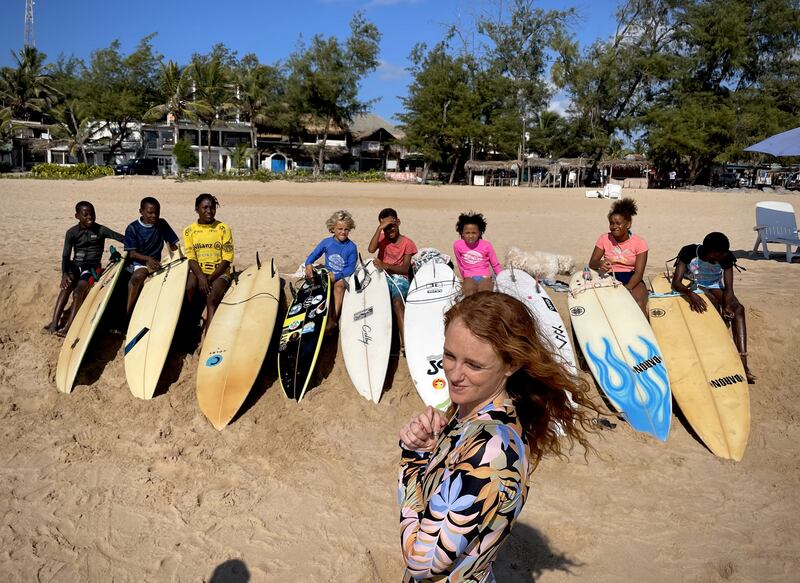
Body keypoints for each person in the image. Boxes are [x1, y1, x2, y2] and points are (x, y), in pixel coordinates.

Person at [398, 292, 597, 583]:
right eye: (449, 356)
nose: (454, 374)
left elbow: (422, 562)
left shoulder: (491, 449)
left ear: (510, 365)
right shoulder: (473, 415)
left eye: (474, 365)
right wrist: (429, 450)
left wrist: (412, 460)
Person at [671, 232, 756, 383]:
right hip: (693, 285)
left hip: (715, 285)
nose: (717, 260)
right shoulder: (689, 252)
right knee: (712, 304)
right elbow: (676, 282)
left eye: (720, 257)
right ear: (706, 250)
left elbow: (729, 288)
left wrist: (728, 305)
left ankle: (743, 362)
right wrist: (691, 295)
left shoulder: (726, 257)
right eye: (715, 257)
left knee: (738, 309)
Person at [44, 201, 124, 336]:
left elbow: (121, 238)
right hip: (76, 265)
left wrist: (120, 253)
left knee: (78, 291)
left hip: (92, 267)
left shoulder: (101, 230)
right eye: (85, 215)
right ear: (77, 216)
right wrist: (64, 274)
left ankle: (68, 328)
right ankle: (54, 324)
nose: (90, 217)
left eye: (92, 214)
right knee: (66, 287)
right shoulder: (72, 233)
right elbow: (65, 256)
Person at [183, 193, 234, 335]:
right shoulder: (189, 231)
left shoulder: (223, 228)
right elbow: (191, 258)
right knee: (188, 289)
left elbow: (227, 259)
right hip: (198, 271)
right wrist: (201, 278)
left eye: (212, 208)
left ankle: (208, 336)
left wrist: (209, 279)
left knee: (211, 298)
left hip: (219, 273)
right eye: (205, 208)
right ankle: (188, 328)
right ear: (196, 209)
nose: (209, 211)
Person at [367, 208, 417, 351]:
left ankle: (405, 342)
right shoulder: (382, 238)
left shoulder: (407, 243)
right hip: (382, 276)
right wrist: (379, 229)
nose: (389, 230)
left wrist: (386, 265)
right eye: (386, 228)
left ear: (398, 222)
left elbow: (405, 269)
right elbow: (371, 249)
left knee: (397, 302)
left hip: (400, 278)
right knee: (372, 301)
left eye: (392, 226)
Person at [588, 197, 649, 314]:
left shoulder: (640, 243)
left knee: (638, 304)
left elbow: (639, 273)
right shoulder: (604, 239)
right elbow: (592, 263)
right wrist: (600, 263)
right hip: (609, 276)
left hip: (632, 278)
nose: (614, 226)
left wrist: (627, 288)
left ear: (628, 224)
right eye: (611, 223)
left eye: (618, 223)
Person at [124, 196, 180, 315]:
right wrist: (148, 259)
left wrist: (180, 259)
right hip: (139, 263)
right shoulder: (132, 228)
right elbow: (132, 254)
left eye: (157, 213)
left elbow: (172, 245)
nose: (154, 215)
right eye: (150, 213)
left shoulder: (162, 223)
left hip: (156, 262)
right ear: (141, 211)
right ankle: (128, 314)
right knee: (137, 278)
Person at [304, 210, 357, 330]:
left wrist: (336, 276)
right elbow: (314, 255)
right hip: (327, 274)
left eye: (346, 229)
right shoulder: (326, 242)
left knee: (338, 286)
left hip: (343, 276)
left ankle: (334, 319)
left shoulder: (351, 247)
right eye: (340, 229)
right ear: (333, 228)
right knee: (316, 284)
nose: (343, 232)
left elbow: (350, 268)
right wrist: (308, 264)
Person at [452, 211, 501, 296]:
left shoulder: (486, 245)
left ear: (480, 233)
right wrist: (464, 279)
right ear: (462, 233)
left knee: (485, 294)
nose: (471, 236)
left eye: (474, 233)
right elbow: (460, 264)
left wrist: (502, 278)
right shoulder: (457, 245)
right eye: (467, 233)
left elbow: (495, 265)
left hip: (485, 277)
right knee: (469, 294)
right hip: (469, 277)